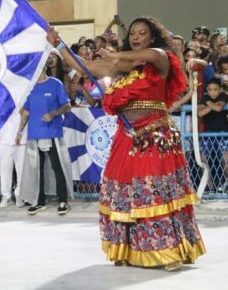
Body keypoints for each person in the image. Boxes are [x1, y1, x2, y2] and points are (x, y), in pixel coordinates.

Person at [49, 16, 205, 270]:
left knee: (154, 191)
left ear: (151, 37)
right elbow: (85, 65)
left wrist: (118, 58)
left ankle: (169, 251)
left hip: (155, 137)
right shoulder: (123, 66)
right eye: (132, 32)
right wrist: (59, 45)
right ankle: (128, 249)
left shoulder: (162, 59)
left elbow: (153, 54)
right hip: (127, 137)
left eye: (142, 33)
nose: (135, 36)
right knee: (123, 193)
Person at [17, 57, 73, 215]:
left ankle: (63, 200)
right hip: (34, 134)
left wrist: (53, 113)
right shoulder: (30, 88)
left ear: (44, 68)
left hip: (52, 133)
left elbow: (67, 106)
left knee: (57, 166)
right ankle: (39, 201)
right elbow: (26, 112)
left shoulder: (55, 84)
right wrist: (20, 131)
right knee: (36, 169)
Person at [197, 78, 228, 193]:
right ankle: (209, 186)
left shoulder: (223, 96)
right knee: (202, 158)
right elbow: (200, 113)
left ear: (220, 89)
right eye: (210, 90)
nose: (213, 92)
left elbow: (219, 108)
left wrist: (208, 104)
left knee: (226, 158)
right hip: (209, 132)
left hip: (223, 131)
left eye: (215, 89)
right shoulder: (204, 97)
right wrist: (212, 104)